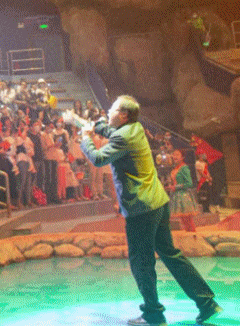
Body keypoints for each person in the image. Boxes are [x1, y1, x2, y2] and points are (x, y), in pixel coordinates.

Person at [80, 95, 221, 326]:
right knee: (170, 254)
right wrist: (96, 126)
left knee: (141, 262)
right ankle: (206, 301)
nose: (109, 112)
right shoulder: (135, 128)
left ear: (123, 114)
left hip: (141, 207)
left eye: (112, 109)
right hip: (157, 202)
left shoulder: (123, 136)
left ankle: (153, 313)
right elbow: (111, 130)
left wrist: (85, 138)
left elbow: (98, 158)